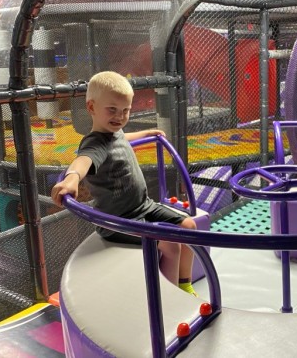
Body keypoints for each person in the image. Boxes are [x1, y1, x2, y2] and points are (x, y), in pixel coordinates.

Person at [51, 71, 198, 296]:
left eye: (125, 110)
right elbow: (84, 160)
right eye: (112, 109)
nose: (119, 117)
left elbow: (121, 138)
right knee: (171, 244)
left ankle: (185, 284)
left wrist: (146, 133)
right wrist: (72, 178)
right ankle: (170, 298)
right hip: (117, 221)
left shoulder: (113, 131)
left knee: (189, 226)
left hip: (143, 207)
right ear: (91, 107)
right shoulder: (95, 143)